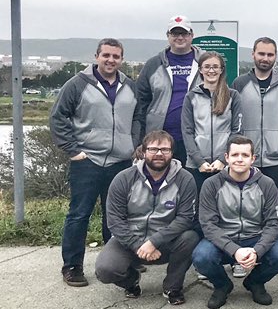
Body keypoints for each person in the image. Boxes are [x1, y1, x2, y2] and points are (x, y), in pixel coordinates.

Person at [49, 39, 137, 287]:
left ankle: (117, 262)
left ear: (122, 59)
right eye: (106, 55)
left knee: (116, 215)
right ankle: (72, 266)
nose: (111, 60)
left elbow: (138, 117)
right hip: (88, 160)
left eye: (116, 56)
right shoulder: (77, 84)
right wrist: (72, 150)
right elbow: (58, 117)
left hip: (120, 161)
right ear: (96, 56)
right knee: (79, 214)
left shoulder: (129, 86)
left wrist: (134, 144)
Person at [94, 130, 198, 304]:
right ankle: (131, 280)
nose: (159, 154)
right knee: (105, 270)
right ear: (143, 151)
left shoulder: (185, 179)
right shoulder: (124, 178)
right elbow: (114, 221)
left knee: (191, 237)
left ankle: (172, 287)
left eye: (165, 149)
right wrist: (137, 245)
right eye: (153, 149)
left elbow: (185, 218)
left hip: (166, 242)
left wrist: (154, 241)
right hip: (129, 241)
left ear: (172, 153)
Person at [192, 136, 278, 308]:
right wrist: (234, 250)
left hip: (255, 237)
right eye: (235, 154)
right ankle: (222, 285)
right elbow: (208, 225)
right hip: (223, 239)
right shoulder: (211, 184)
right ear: (226, 157)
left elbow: (273, 223)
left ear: (253, 159)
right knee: (201, 257)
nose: (239, 159)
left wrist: (258, 251)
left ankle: (255, 282)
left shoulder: (267, 184)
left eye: (245, 155)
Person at [231, 37, 278, 265]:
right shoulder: (240, 83)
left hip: (277, 159)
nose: (265, 58)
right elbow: (233, 117)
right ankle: (243, 254)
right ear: (253, 54)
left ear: (275, 57)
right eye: (261, 54)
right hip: (247, 160)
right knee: (245, 208)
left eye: (270, 55)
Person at [133, 16, 200, 164]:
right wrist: (141, 139)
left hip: (197, 139)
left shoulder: (205, 62)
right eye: (175, 33)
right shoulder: (153, 64)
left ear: (192, 35)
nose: (180, 37)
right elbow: (140, 105)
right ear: (168, 35)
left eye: (184, 33)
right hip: (160, 141)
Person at [181, 50, 242, 200]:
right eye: (207, 66)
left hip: (225, 166)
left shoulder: (233, 96)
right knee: (197, 208)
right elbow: (187, 131)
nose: (211, 70)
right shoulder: (191, 97)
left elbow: (237, 131)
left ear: (221, 70)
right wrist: (199, 161)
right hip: (197, 166)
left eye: (215, 66)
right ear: (200, 70)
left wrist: (223, 160)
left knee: (225, 206)